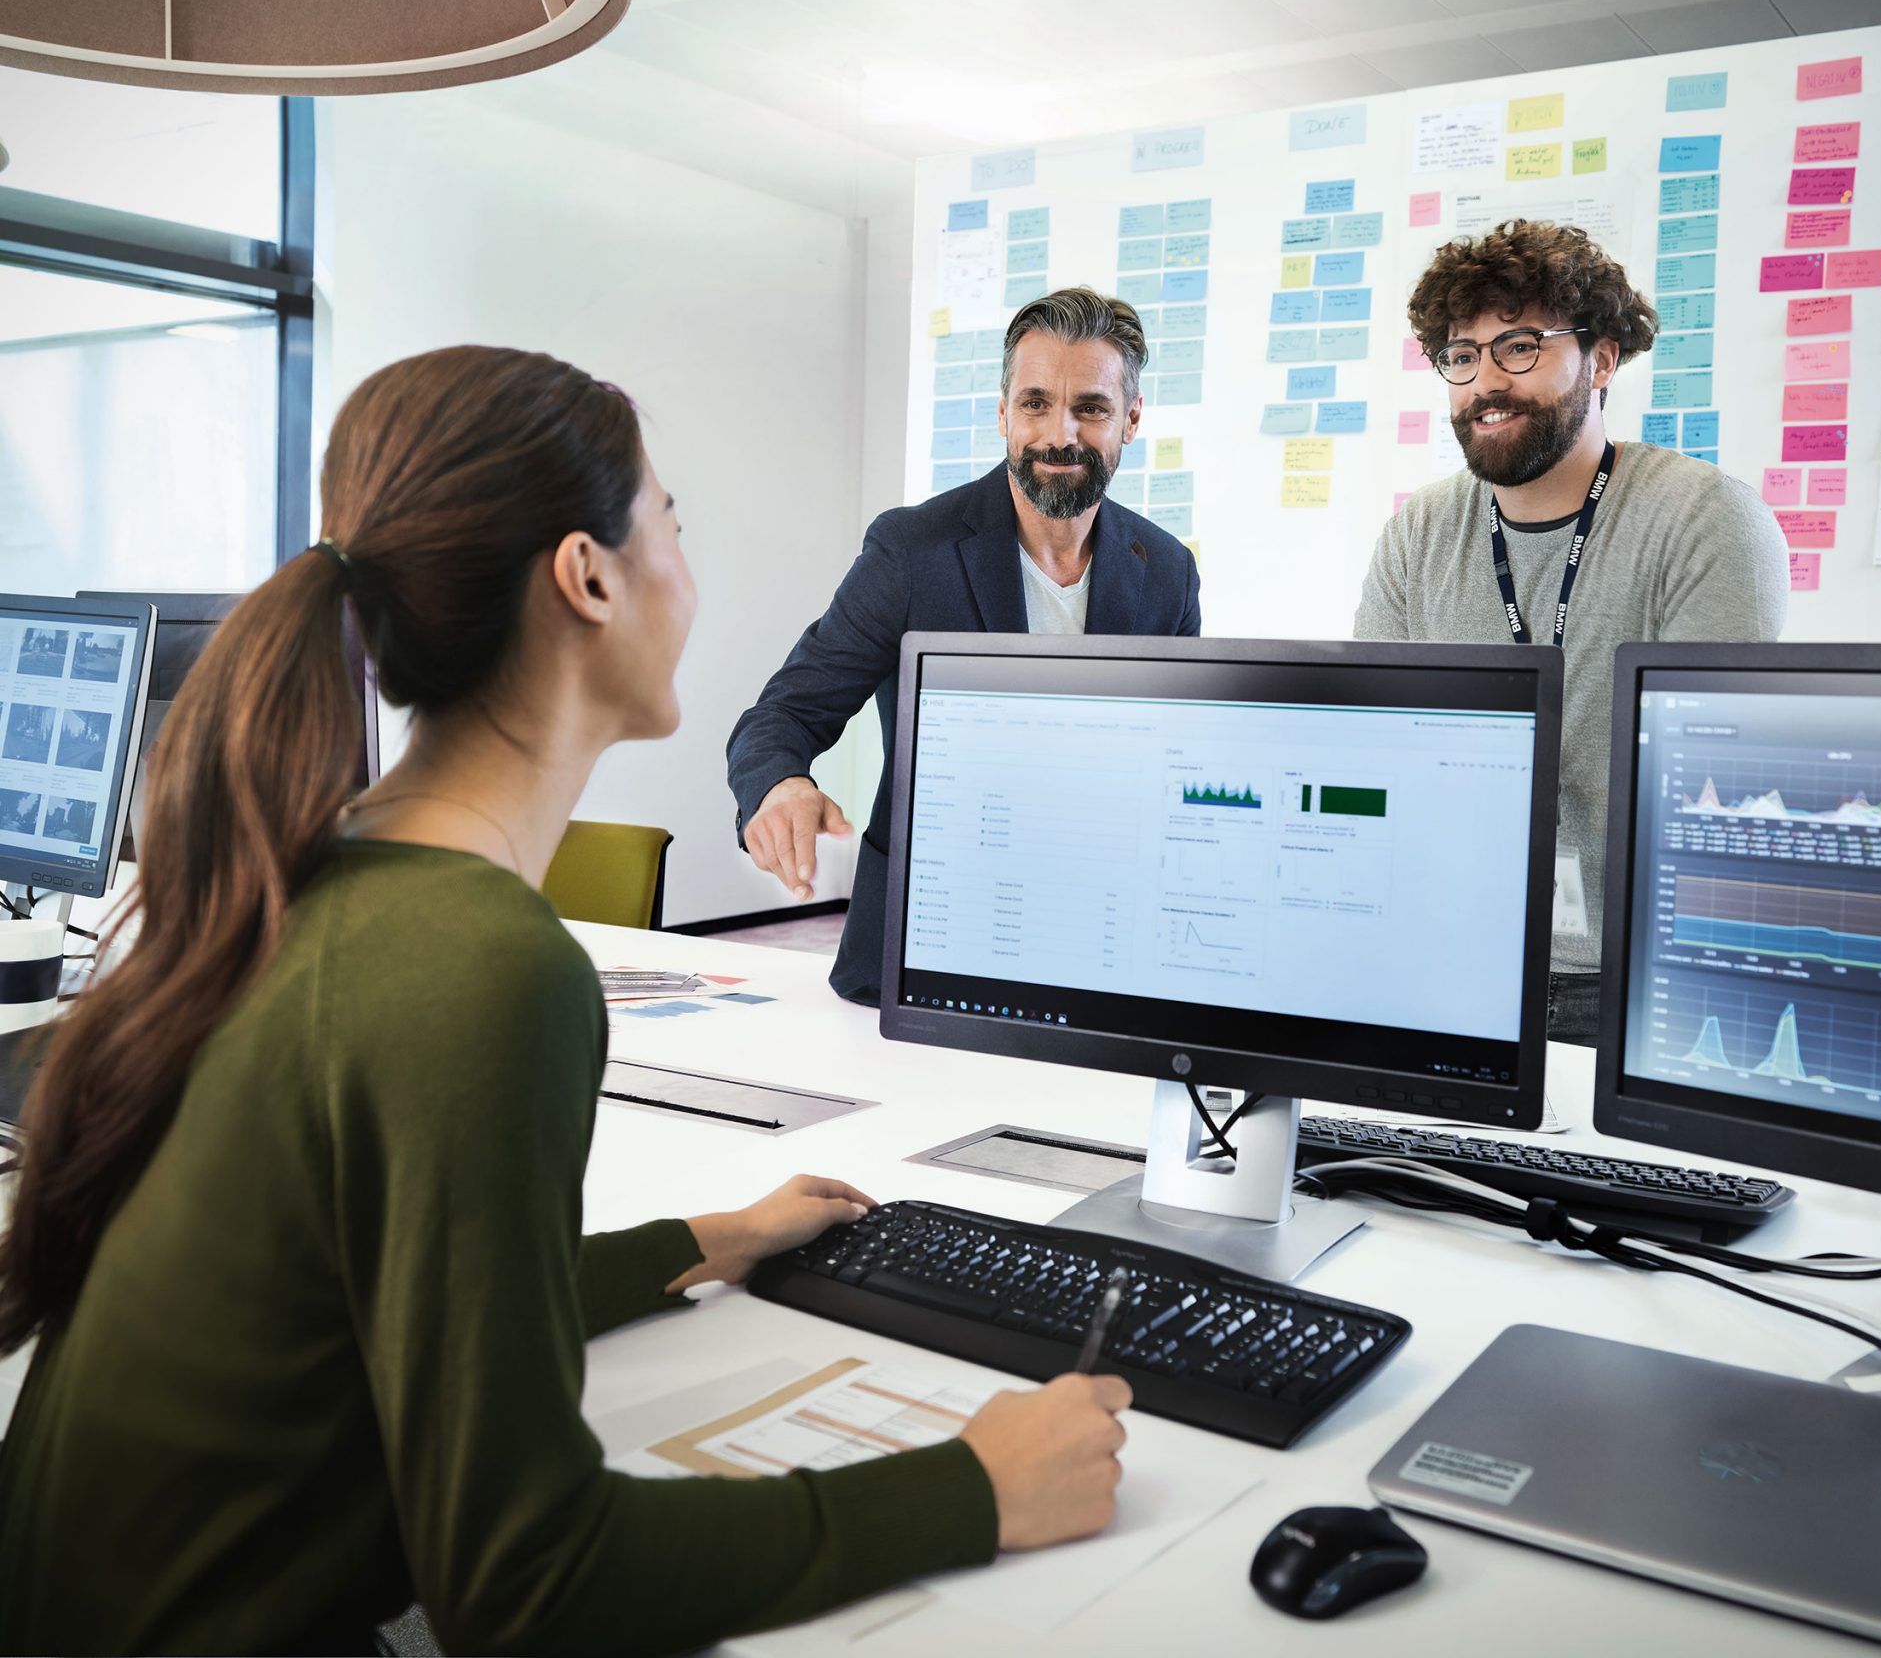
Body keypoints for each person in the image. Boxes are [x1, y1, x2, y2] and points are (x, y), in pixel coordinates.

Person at [0, 347, 1131, 1655]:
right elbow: (532, 1584)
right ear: (588, 576)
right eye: (674, 525)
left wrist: (696, 1241)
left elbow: (405, 1294)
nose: (689, 569)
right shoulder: (486, 961)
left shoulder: (326, 874)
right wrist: (973, 1485)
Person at [1355, 221, 1787, 1044]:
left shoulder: (1706, 522)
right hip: (1455, 969)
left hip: (1641, 986)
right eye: (1461, 354)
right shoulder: (1418, 536)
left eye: (1520, 346)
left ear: (1602, 358)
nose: (1485, 381)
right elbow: (1383, 758)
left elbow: (1718, 804)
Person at [729, 287, 1202, 1004]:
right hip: (922, 947)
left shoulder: (1166, 570)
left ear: (1131, 419)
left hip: (1101, 947)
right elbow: (781, 715)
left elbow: (1180, 764)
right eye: (1036, 403)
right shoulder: (912, 552)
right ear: (1002, 412)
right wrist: (780, 784)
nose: (1059, 434)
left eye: (1092, 409)